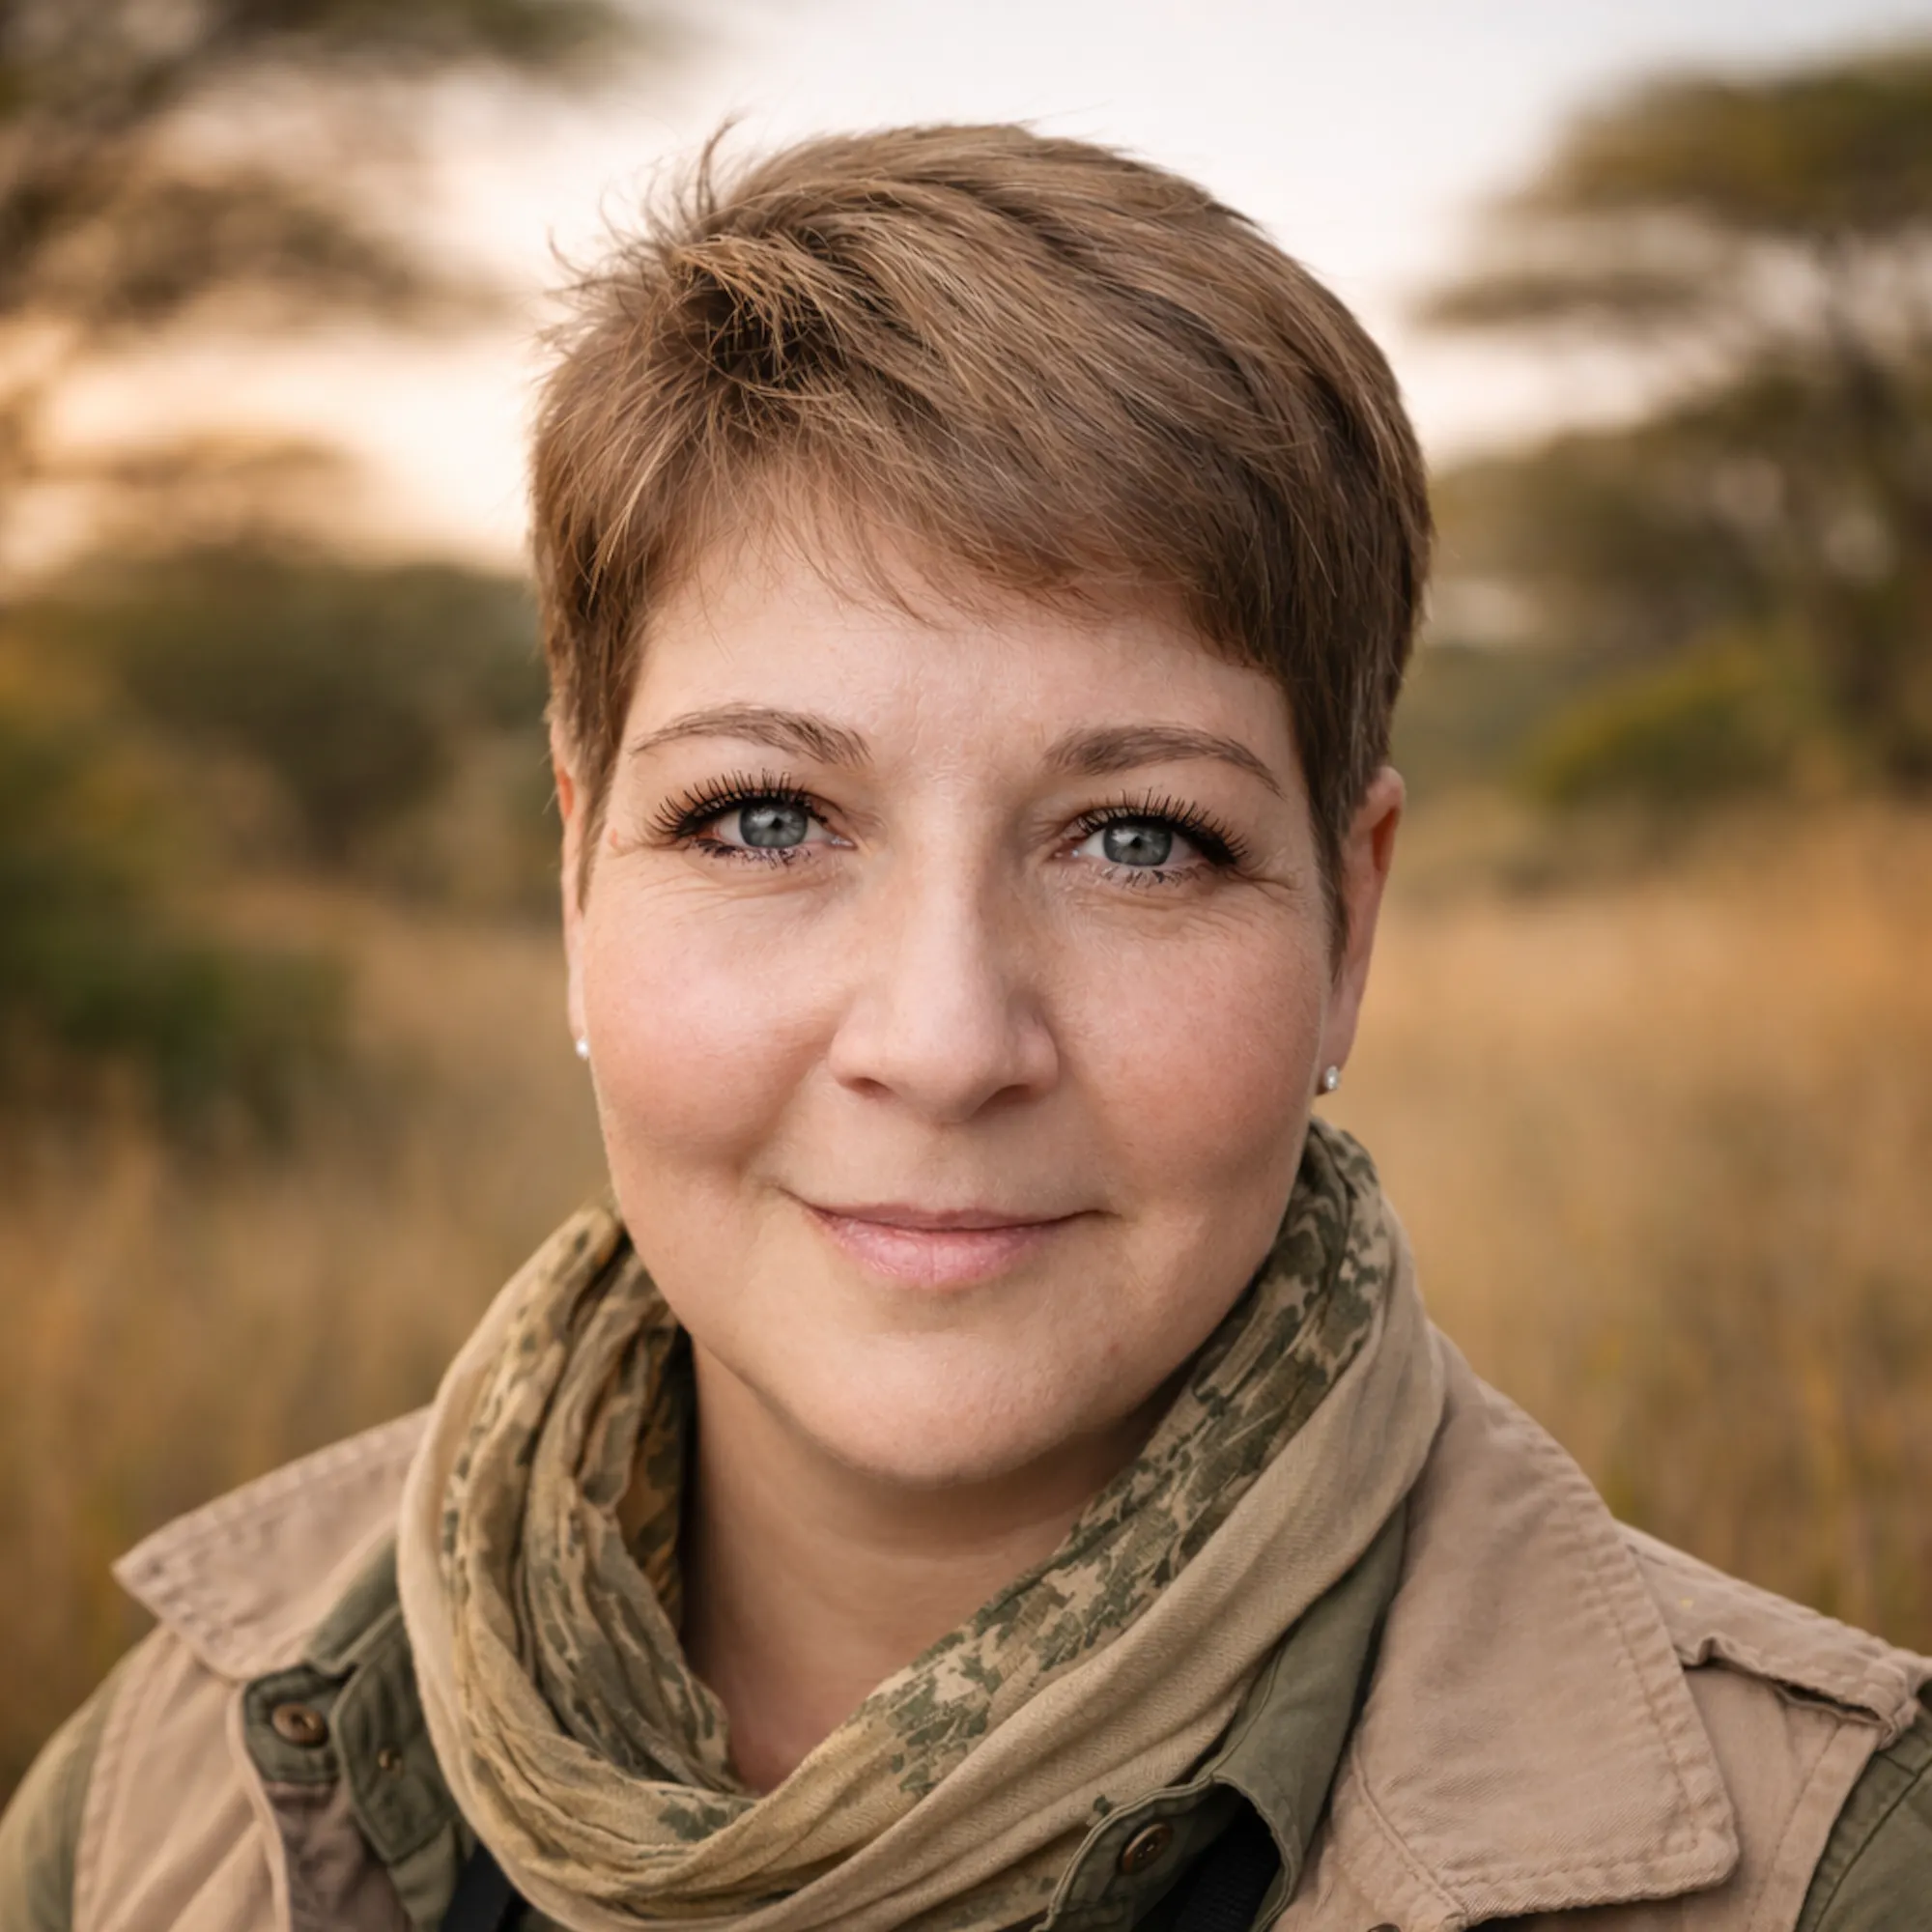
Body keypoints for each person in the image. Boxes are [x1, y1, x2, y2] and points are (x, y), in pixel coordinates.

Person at [1, 124, 1926, 1932]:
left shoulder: (1832, 1868)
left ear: (1352, 921)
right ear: (579, 876)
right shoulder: (158, 1790)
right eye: (762, 817)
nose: (939, 1041)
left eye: (1137, 840)